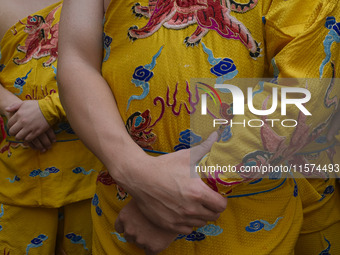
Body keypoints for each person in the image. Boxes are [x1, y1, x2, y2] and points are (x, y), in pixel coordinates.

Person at [58, 0, 340, 254]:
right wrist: (132, 171)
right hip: (124, 205)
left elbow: (305, 91)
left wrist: (198, 185)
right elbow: (77, 60)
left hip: (248, 213)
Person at [0, 1, 103, 254]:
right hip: (19, 168)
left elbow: (119, 66)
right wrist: (12, 108)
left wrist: (52, 109)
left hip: (94, 169)